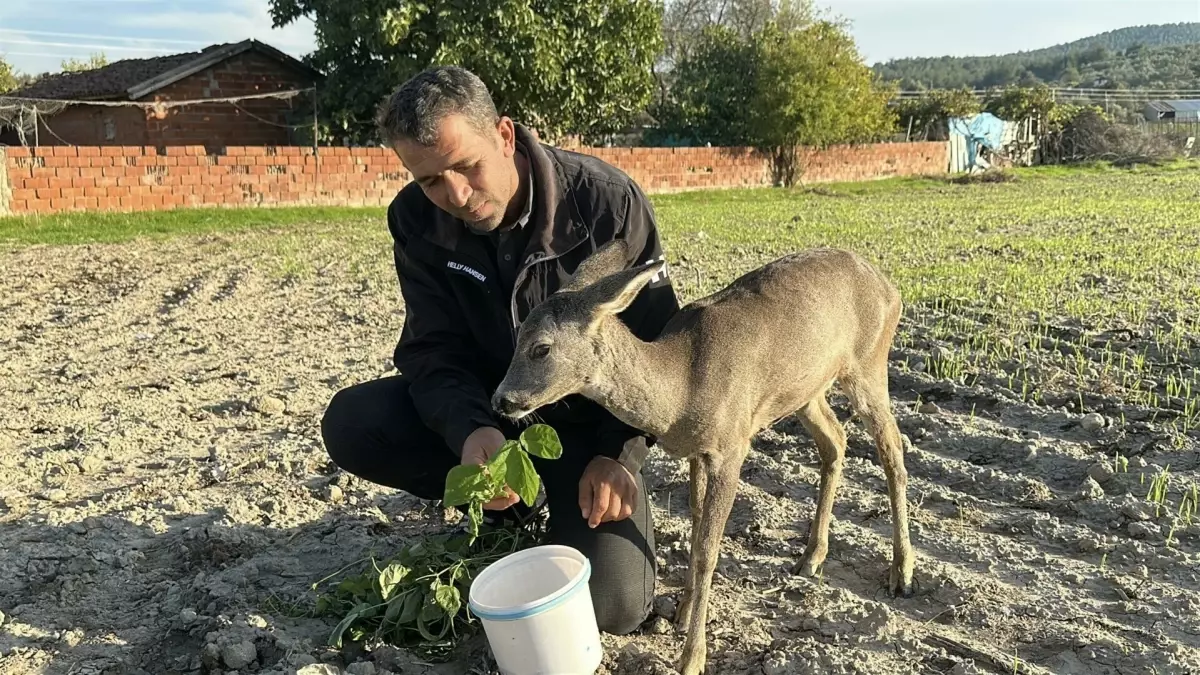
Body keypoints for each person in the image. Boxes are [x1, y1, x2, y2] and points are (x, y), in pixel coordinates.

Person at [319, 65, 680, 634]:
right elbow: (431, 349)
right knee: (354, 423)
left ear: (505, 136)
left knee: (613, 608)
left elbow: (658, 343)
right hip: (492, 407)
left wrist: (621, 454)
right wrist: (469, 431)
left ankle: (568, 496)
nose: (455, 195)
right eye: (430, 181)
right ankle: (504, 510)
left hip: (587, 432)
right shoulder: (415, 221)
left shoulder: (607, 204)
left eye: (466, 166)